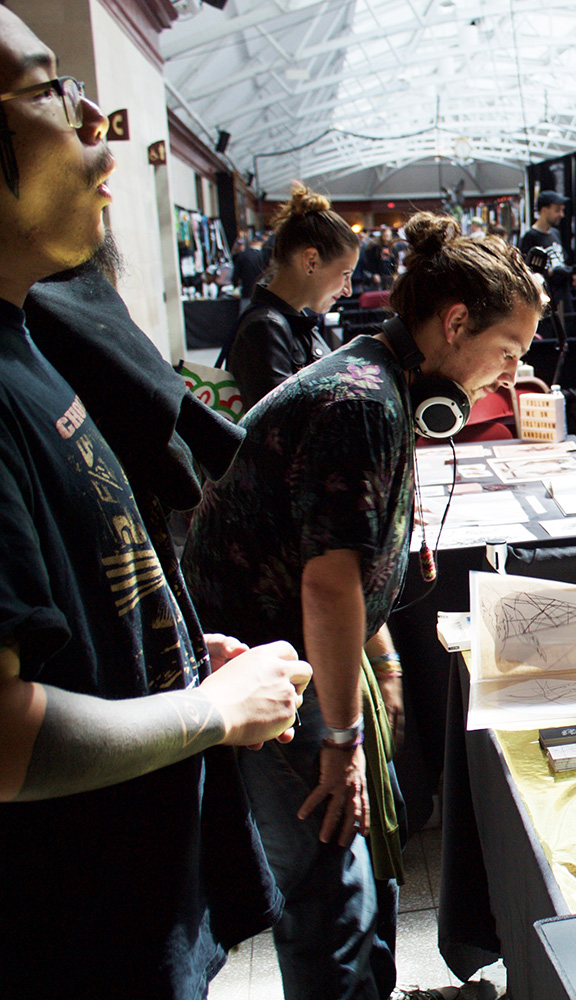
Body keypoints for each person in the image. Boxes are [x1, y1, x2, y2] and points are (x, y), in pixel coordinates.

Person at [0, 7, 310, 995]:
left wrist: (167, 650)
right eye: (51, 88)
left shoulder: (30, 349)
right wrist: (207, 711)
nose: (95, 116)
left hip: (134, 919)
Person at [183, 212, 544, 1000]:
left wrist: (381, 667)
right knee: (328, 890)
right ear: (455, 323)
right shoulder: (362, 404)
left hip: (306, 661)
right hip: (270, 672)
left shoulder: (383, 381)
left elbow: (354, 554)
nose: (510, 376)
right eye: (508, 351)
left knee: (367, 867)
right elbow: (329, 581)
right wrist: (342, 740)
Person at [224, 183, 359, 409]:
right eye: (345, 274)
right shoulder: (266, 328)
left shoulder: (290, 324)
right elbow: (281, 429)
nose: (348, 289)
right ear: (311, 262)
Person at [519, 190, 573, 311]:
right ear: (544, 210)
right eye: (557, 210)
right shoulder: (530, 237)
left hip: (563, 296)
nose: (561, 214)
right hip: (546, 300)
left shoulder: (555, 233)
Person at [233, 229, 268, 299]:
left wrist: (235, 285)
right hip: (261, 292)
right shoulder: (264, 256)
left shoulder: (242, 255)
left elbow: (236, 274)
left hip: (246, 291)